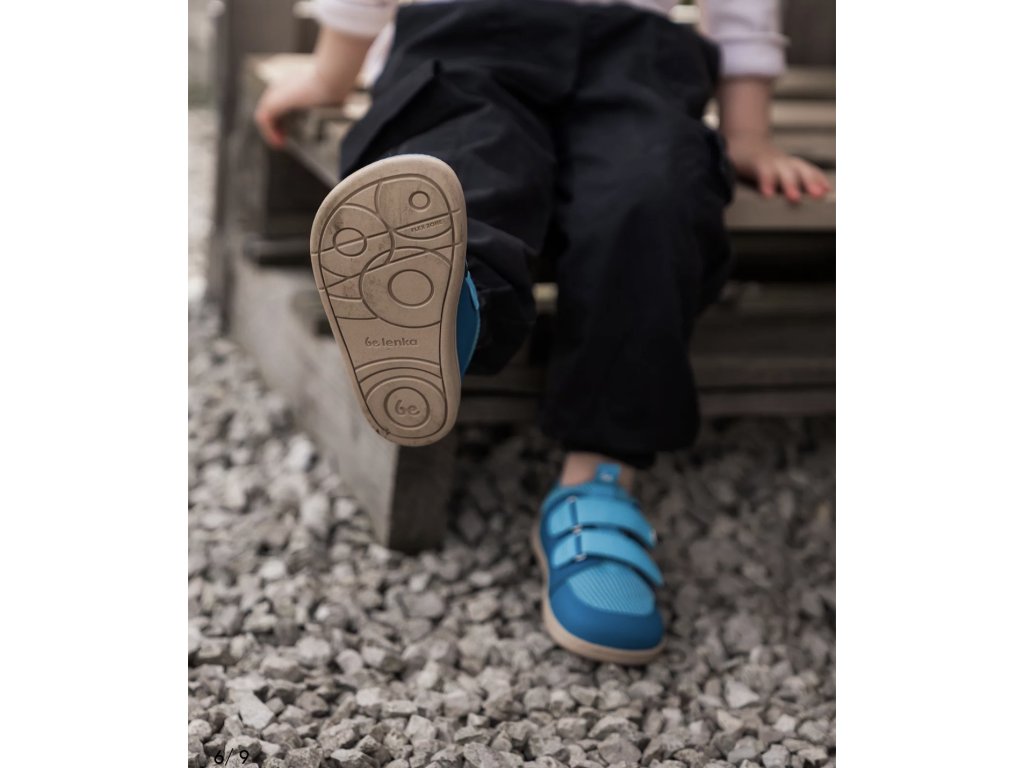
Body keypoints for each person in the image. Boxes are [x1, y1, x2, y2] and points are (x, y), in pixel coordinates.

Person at [255, 0, 829, 664]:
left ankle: (598, 472)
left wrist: (746, 133)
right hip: (466, 28)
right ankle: (452, 311)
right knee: (456, 166)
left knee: (653, 198)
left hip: (633, 49)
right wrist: (331, 74)